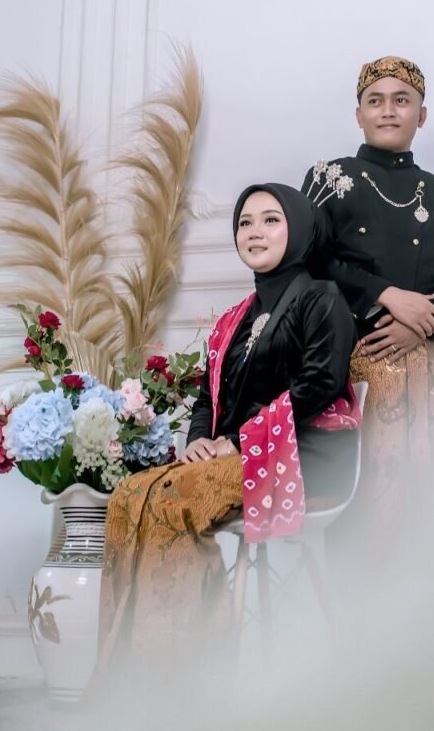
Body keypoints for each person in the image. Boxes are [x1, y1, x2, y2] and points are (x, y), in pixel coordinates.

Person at [96, 183, 360, 673]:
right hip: (236, 456)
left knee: (175, 500)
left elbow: (319, 384)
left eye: (271, 220)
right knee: (129, 495)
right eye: (245, 222)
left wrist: (237, 441)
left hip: (305, 456)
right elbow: (206, 397)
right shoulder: (235, 319)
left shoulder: (322, 299)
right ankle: (132, 669)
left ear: (299, 229)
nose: (255, 232)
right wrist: (199, 441)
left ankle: (196, 669)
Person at [302, 55, 434, 565]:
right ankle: (360, 609)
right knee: (368, 494)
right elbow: (312, 260)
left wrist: (422, 327)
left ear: (421, 115)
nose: (388, 110)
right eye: (375, 100)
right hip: (361, 361)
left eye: (401, 100)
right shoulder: (329, 178)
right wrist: (386, 294)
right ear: (358, 114)